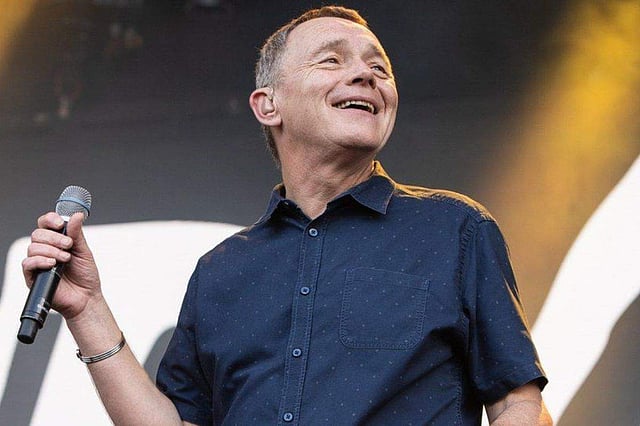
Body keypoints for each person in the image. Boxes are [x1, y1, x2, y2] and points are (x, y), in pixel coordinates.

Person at [22, 6, 551, 425]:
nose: (365, 75)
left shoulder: (455, 229)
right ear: (267, 105)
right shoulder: (221, 270)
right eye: (332, 60)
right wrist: (86, 309)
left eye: (379, 68)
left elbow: (518, 403)